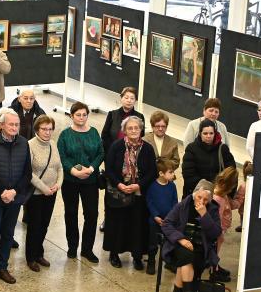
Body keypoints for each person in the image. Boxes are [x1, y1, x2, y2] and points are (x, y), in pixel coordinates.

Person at [0, 108, 31, 287]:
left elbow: (27, 173)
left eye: (17, 124)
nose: (15, 127)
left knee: (8, 234)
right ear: (1, 125)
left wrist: (14, 192)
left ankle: (2, 267)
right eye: (11, 124)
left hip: (15, 199)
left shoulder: (24, 143)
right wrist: (3, 191)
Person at [102, 116, 156, 270]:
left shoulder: (148, 148)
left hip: (139, 193)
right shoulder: (116, 146)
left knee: (137, 225)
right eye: (130, 128)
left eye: (136, 128)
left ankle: (137, 256)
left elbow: (152, 172)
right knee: (117, 223)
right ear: (124, 130)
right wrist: (119, 184)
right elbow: (110, 169)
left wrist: (138, 185)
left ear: (141, 130)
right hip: (119, 192)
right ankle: (114, 253)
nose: (133, 131)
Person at [162, 180, 222, 292]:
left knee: (184, 262)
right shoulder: (183, 205)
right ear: (195, 194)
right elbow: (166, 224)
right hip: (179, 246)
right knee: (185, 256)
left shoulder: (212, 210)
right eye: (199, 197)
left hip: (200, 248)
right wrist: (181, 239)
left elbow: (216, 233)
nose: (202, 201)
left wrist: (204, 215)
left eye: (206, 199)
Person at [57, 102, 104, 262]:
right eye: (78, 115)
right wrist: (74, 171)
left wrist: (90, 169)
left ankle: (87, 249)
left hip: (90, 181)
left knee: (91, 214)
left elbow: (100, 153)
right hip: (70, 180)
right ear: (71, 116)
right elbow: (62, 156)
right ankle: (72, 247)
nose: (81, 118)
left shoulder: (94, 132)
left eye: (84, 115)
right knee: (71, 213)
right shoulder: (64, 135)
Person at [26, 115, 63, 271]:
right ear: (37, 129)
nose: (48, 132)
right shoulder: (30, 145)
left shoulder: (53, 144)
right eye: (44, 129)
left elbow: (59, 167)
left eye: (50, 129)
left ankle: (39, 253)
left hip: (52, 192)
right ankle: (31, 257)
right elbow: (28, 172)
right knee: (34, 225)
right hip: (36, 193)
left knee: (44, 225)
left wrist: (58, 184)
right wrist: (44, 188)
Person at [182, 119, 236, 197]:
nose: (208, 136)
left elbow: (231, 172)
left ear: (215, 133)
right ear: (200, 134)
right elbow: (188, 174)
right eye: (205, 133)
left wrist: (226, 192)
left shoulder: (223, 149)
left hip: (218, 194)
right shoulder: (192, 148)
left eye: (211, 133)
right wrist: (207, 189)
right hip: (197, 194)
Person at [211, 166, 245, 282]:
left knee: (216, 251)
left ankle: (215, 266)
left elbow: (233, 205)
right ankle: (214, 271)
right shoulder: (218, 199)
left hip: (220, 231)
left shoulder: (222, 194)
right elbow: (217, 219)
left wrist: (241, 195)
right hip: (218, 232)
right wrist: (219, 233)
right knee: (214, 251)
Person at [145, 158, 178, 275]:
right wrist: (156, 216)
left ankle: (169, 261)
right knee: (153, 242)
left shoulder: (172, 186)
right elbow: (150, 202)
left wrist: (171, 217)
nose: (173, 174)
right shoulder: (152, 186)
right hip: (155, 220)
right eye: (171, 172)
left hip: (169, 220)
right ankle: (151, 261)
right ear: (161, 173)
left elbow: (175, 202)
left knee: (171, 240)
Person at [100, 86, 145, 157]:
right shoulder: (112, 114)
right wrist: (111, 150)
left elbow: (141, 135)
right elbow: (104, 135)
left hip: (132, 154)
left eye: (132, 98)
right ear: (121, 98)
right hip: (112, 153)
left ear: (135, 101)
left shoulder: (140, 117)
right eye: (126, 97)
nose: (129, 100)